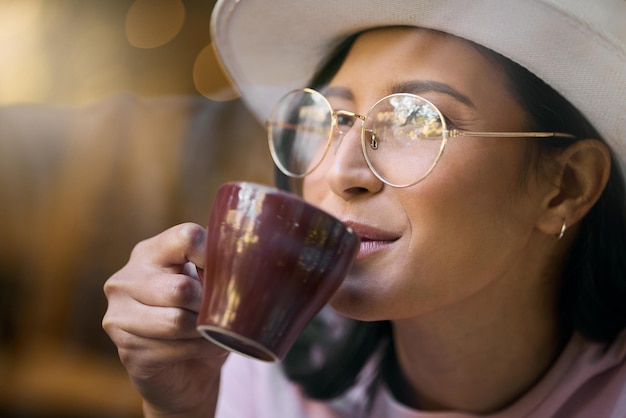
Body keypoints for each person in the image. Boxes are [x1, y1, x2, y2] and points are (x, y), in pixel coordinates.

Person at [102, 0, 626, 416]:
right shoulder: (258, 368)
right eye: (331, 118)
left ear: (566, 186)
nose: (340, 173)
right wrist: (181, 410)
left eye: (414, 123)